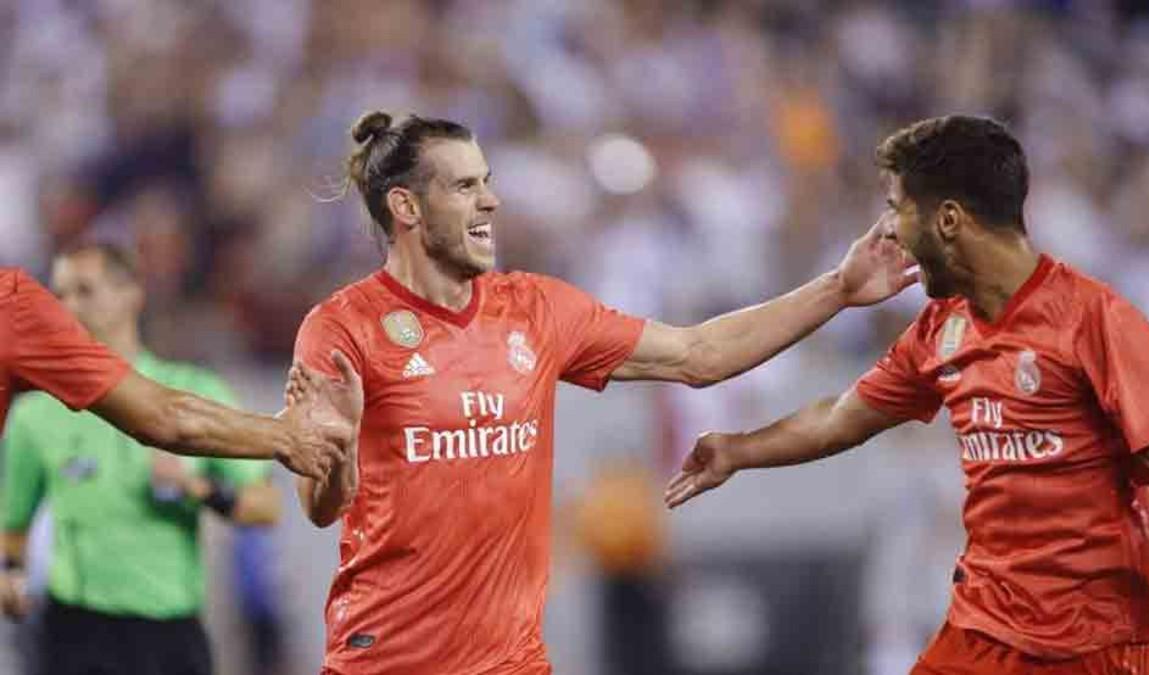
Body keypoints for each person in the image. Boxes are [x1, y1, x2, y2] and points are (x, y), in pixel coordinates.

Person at [289, 110, 915, 675]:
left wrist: (837, 289)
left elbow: (700, 355)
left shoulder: (536, 309)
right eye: (465, 187)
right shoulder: (342, 328)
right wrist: (339, 451)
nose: (492, 201)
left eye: (487, 181)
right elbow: (319, 508)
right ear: (407, 207)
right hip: (389, 659)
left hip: (512, 662)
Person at [665, 115, 1149, 675]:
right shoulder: (940, 329)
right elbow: (840, 418)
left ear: (948, 219)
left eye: (896, 207)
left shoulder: (1097, 322)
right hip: (980, 636)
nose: (888, 231)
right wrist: (737, 450)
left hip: (1094, 648)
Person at [0, 243, 282, 675]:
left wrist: (198, 489)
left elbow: (266, 508)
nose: (68, 306)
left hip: (168, 631)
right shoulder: (35, 413)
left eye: (85, 290)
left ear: (132, 293)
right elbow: (12, 529)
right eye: (60, 293)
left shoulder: (191, 394)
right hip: (75, 631)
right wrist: (11, 576)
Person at [0, 263, 357, 480]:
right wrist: (286, 436)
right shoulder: (11, 305)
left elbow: (257, 503)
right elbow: (162, 418)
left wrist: (209, 491)